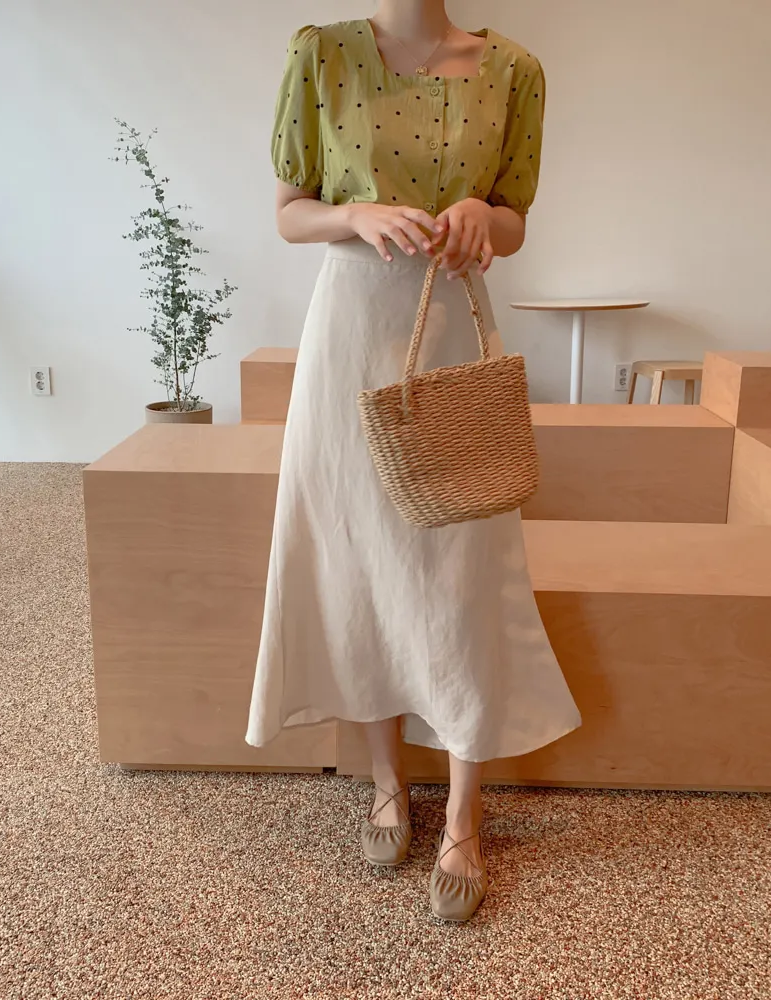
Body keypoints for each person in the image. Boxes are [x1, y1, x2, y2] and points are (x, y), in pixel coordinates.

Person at [245, 0, 581, 922]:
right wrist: (354, 214)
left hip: (451, 334)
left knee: (465, 567)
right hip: (351, 332)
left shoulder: (513, 70)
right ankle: (387, 781)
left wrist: (479, 215)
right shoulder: (321, 55)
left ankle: (465, 814)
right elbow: (289, 214)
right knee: (355, 558)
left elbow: (513, 223)